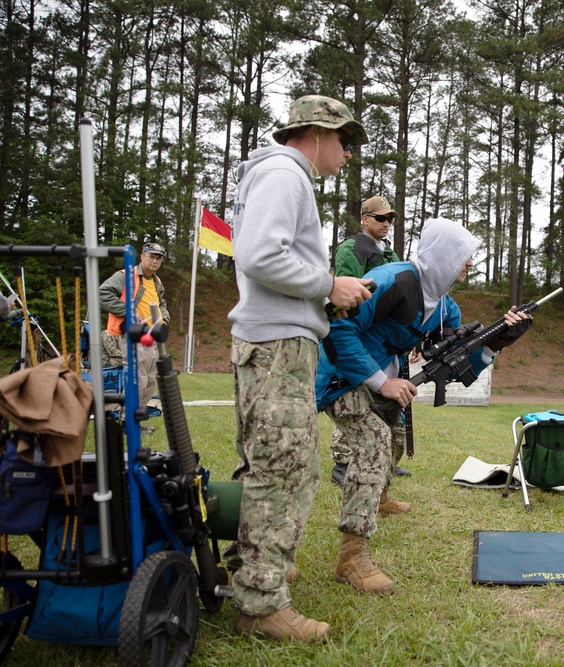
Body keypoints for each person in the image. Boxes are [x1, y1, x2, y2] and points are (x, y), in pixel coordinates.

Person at [315, 217, 532, 595]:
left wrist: (496, 343)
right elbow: (337, 328)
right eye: (464, 256)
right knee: (373, 443)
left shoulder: (446, 308)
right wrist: (383, 381)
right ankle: (352, 555)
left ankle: (376, 498)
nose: (469, 264)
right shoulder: (392, 280)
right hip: (339, 374)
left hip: (385, 376)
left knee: (395, 436)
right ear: (445, 255)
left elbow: (458, 362)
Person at [225, 94, 373, 643]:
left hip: (276, 340)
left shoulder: (279, 177)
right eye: (344, 141)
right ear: (314, 134)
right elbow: (260, 256)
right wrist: (327, 285)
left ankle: (256, 569)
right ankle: (261, 603)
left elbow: (267, 258)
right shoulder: (287, 174)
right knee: (285, 466)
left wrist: (322, 297)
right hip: (278, 345)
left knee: (272, 463)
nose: (348, 153)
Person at [329, 195, 411, 487]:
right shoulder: (351, 248)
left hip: (384, 337)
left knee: (378, 401)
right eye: (380, 218)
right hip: (360, 333)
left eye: (390, 219)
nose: (386, 223)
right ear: (365, 219)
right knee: (354, 395)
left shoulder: (389, 252)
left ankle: (382, 460)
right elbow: (349, 295)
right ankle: (343, 463)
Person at [99, 242, 170, 433]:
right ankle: (126, 422)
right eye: (151, 256)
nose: (155, 261)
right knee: (138, 379)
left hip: (152, 337)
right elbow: (103, 294)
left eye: (158, 258)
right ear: (142, 257)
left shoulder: (157, 281)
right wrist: (129, 311)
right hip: (134, 336)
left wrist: (164, 320)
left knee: (151, 380)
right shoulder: (125, 275)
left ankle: (134, 421)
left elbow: (161, 304)